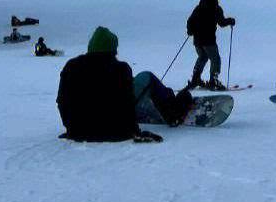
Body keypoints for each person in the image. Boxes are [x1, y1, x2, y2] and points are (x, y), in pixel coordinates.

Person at [56, 26, 190, 142]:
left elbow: (62, 101)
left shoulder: (71, 67)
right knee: (146, 77)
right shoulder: (120, 69)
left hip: (78, 131)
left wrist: (72, 129)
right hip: (116, 131)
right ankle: (173, 110)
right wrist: (132, 130)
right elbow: (125, 101)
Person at [186, 0, 236, 90]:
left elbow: (190, 20)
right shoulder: (215, 8)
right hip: (208, 39)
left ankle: (196, 78)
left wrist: (190, 30)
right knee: (215, 58)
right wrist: (230, 21)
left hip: (197, 39)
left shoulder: (199, 7)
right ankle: (213, 80)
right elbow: (221, 22)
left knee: (203, 57)